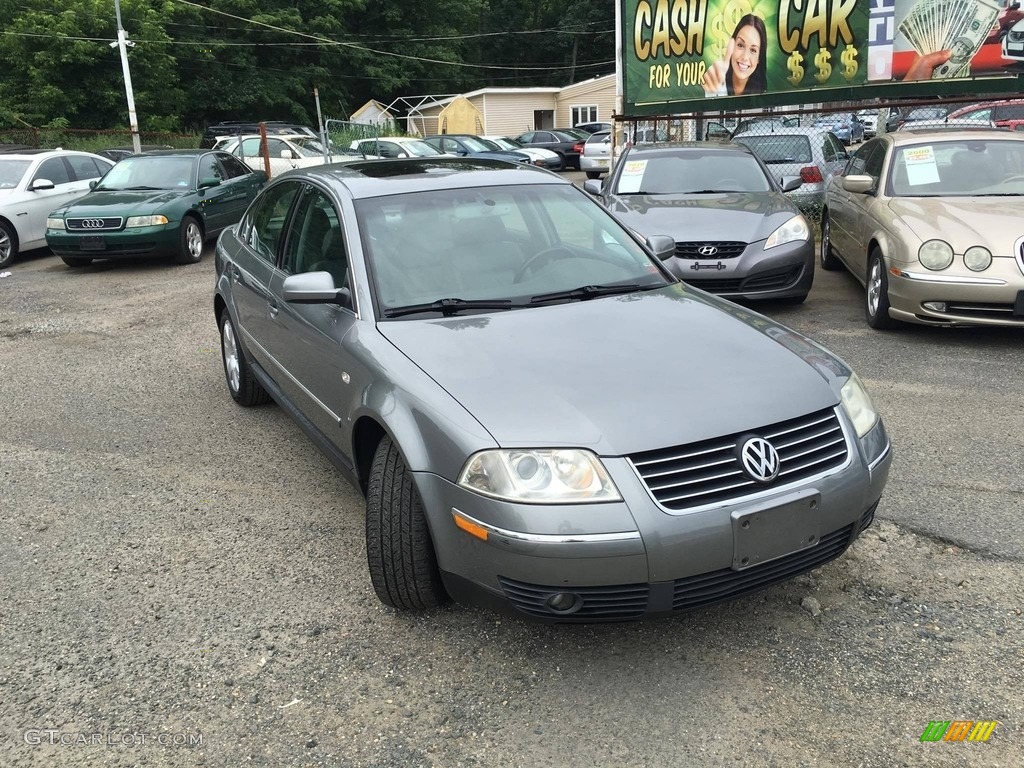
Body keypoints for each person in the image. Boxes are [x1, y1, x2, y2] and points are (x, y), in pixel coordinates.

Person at [702, 15, 769, 96]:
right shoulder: (719, 77)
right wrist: (711, 92)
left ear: (759, 58)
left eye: (753, 50)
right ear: (732, 45)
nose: (745, 57)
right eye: (740, 45)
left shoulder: (761, 93)